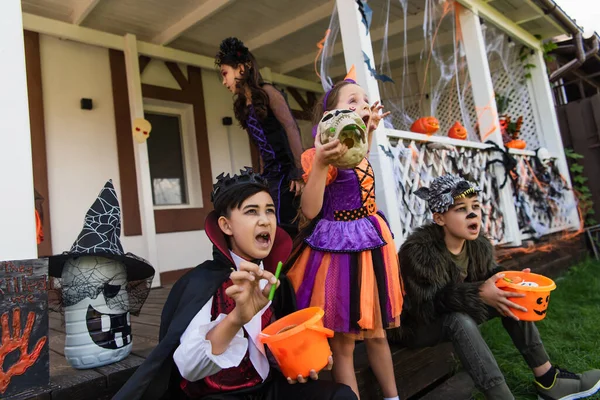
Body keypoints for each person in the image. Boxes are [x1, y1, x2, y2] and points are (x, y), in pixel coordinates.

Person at [113, 168, 356, 400]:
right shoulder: (201, 283)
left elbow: (278, 353)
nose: (265, 221)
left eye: (269, 211)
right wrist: (236, 318)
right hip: (216, 395)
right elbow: (189, 367)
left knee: (340, 395)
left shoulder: (277, 280)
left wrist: (302, 362)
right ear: (225, 225)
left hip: (268, 388)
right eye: (251, 211)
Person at [387, 174, 600, 400]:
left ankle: (549, 380)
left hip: (453, 308)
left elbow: (489, 276)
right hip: (416, 324)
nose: (472, 214)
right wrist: (479, 293)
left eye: (475, 206)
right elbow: (427, 306)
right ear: (439, 219)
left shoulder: (477, 245)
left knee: (509, 293)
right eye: (461, 209)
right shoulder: (419, 252)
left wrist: (510, 280)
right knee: (458, 320)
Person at [284, 71, 403, 400]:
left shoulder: (358, 145)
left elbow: (357, 155)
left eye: (365, 99)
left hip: (371, 245)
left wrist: (369, 129)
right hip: (337, 253)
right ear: (330, 117)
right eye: (353, 101)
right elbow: (310, 210)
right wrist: (320, 163)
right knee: (345, 343)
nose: (363, 104)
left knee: (378, 334)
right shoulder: (321, 155)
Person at [216, 37, 305, 237]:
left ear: (241, 68)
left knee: (284, 225)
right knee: (268, 223)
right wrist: (261, 178)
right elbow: (261, 148)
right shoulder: (242, 106)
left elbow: (291, 128)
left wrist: (300, 173)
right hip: (269, 176)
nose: (224, 81)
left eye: (225, 74)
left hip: (287, 173)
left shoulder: (268, 92)